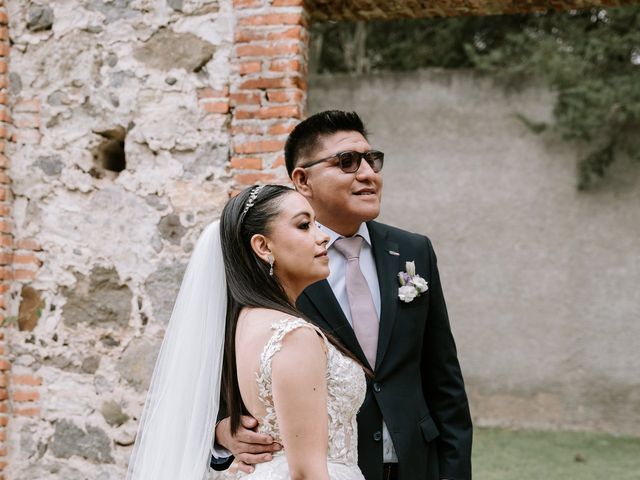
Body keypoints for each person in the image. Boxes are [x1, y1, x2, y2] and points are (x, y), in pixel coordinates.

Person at [213, 111, 473, 480]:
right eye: (347, 162)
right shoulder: (272, 272)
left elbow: (444, 378)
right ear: (302, 180)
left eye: (372, 160)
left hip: (417, 462)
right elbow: (220, 372)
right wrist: (221, 429)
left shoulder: (413, 251)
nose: (368, 173)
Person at [127, 184, 367, 480]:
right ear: (263, 247)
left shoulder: (246, 321)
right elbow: (307, 473)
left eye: (316, 224)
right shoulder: (294, 336)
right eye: (304, 225)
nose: (322, 237)